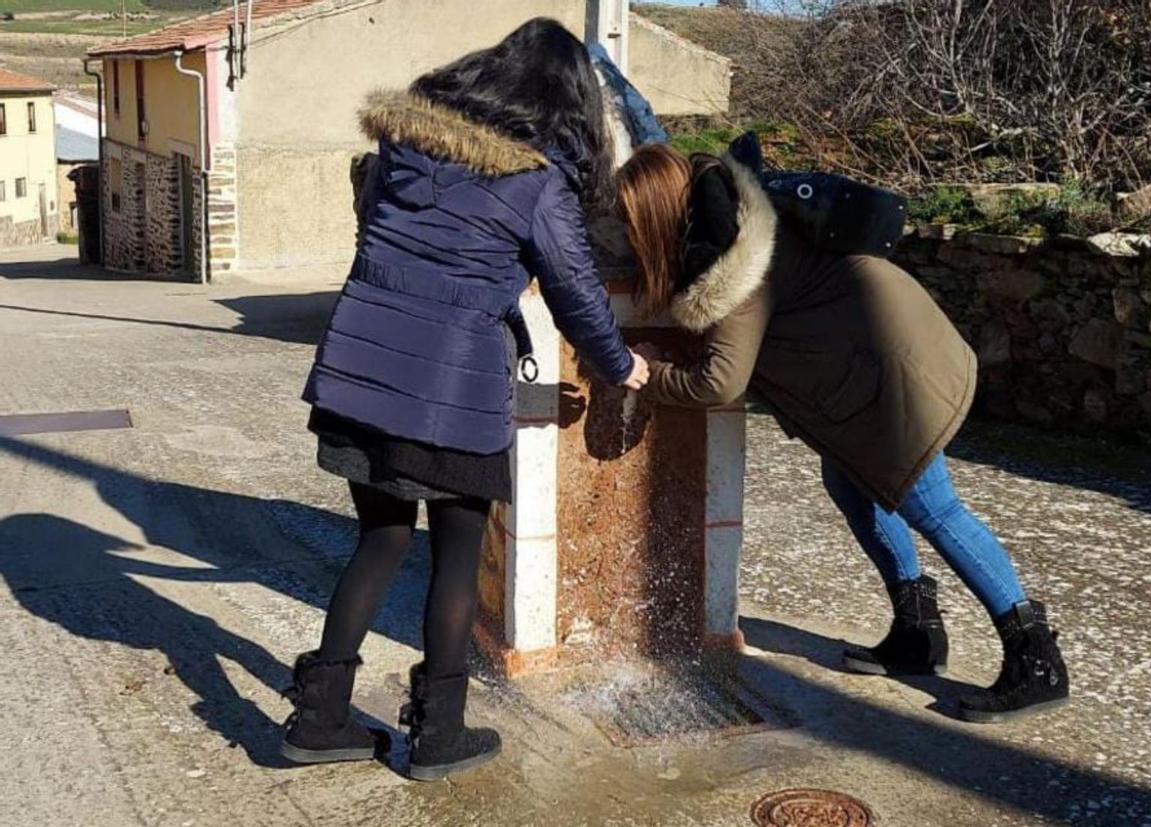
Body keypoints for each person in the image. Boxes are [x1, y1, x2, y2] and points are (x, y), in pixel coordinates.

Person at [285, 19, 649, 780]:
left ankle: (317, 719)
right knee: (456, 554)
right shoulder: (537, 180)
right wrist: (622, 365)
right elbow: (577, 291)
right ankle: (438, 736)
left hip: (361, 367)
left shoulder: (404, 145)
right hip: (450, 390)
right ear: (564, 102)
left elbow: (383, 245)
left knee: (381, 540)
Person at [614, 142, 1069, 723]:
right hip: (867, 366)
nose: (627, 236)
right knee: (851, 485)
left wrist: (648, 378)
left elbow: (719, 383)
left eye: (631, 223)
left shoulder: (733, 262)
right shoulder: (722, 219)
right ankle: (918, 632)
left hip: (894, 371)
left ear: (657, 217)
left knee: (936, 508)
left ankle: (1036, 657)